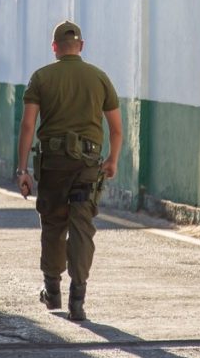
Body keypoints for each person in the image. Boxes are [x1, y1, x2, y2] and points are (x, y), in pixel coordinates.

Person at [15, 20, 123, 321]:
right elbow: (116, 129)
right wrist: (112, 160)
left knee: (52, 224)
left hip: (53, 165)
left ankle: (52, 292)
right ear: (82, 46)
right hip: (87, 166)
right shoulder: (99, 78)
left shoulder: (41, 77)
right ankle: (78, 299)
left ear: (54, 48)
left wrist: (22, 169)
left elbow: (27, 126)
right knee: (82, 228)